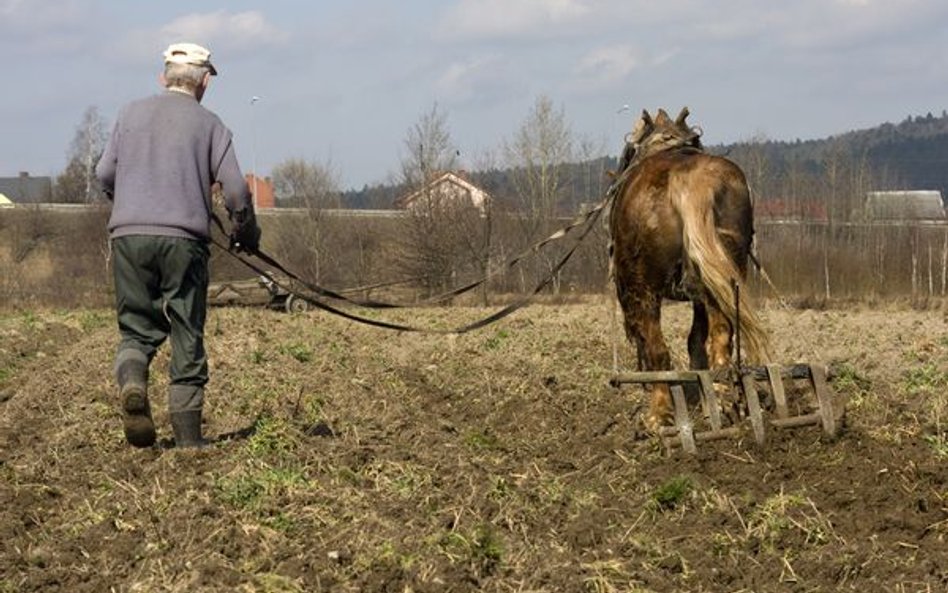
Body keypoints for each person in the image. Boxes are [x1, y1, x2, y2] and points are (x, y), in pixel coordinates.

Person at [96, 42, 261, 449]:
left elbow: (104, 173)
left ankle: (133, 381)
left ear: (162, 77)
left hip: (129, 237)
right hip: (184, 242)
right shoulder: (211, 125)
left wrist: (133, 204)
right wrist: (244, 231)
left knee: (136, 329)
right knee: (187, 330)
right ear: (205, 82)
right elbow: (237, 190)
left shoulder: (129, 114)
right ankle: (189, 441)